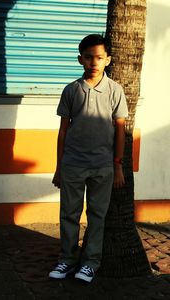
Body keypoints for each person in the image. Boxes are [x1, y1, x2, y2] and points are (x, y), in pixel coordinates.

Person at [49, 34, 128, 283]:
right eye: (89, 57)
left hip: (103, 166)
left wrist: (117, 165)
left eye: (100, 57)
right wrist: (59, 167)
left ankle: (91, 263)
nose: (94, 62)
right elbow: (63, 130)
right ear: (80, 59)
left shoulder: (115, 91)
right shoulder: (71, 90)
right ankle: (67, 261)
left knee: (97, 216)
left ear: (108, 60)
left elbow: (120, 130)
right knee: (69, 214)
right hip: (72, 164)